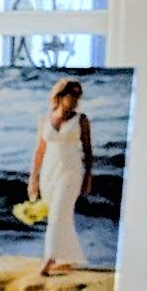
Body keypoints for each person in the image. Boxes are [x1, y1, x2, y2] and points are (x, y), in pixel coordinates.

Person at [31, 80, 95, 270]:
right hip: (49, 172)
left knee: (59, 213)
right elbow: (39, 151)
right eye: (72, 95)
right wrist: (33, 179)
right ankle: (67, 258)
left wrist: (88, 178)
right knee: (58, 216)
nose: (76, 100)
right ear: (60, 96)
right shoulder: (45, 120)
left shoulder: (81, 120)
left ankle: (49, 259)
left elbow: (88, 152)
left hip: (71, 171)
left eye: (78, 96)